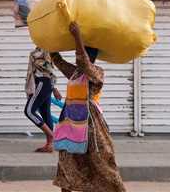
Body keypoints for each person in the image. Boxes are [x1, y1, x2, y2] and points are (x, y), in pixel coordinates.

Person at [50, 22, 126, 192]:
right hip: (70, 120)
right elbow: (57, 60)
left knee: (101, 158)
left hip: (91, 123)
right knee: (67, 159)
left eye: (85, 51)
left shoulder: (96, 72)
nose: (83, 54)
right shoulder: (76, 72)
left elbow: (83, 62)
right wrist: (48, 42)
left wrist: (77, 37)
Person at [24, 47, 62, 153]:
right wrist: (53, 87)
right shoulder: (42, 48)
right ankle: (49, 145)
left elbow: (49, 70)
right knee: (45, 113)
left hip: (42, 82)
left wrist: (53, 88)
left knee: (29, 111)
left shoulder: (45, 49)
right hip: (45, 83)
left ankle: (52, 136)